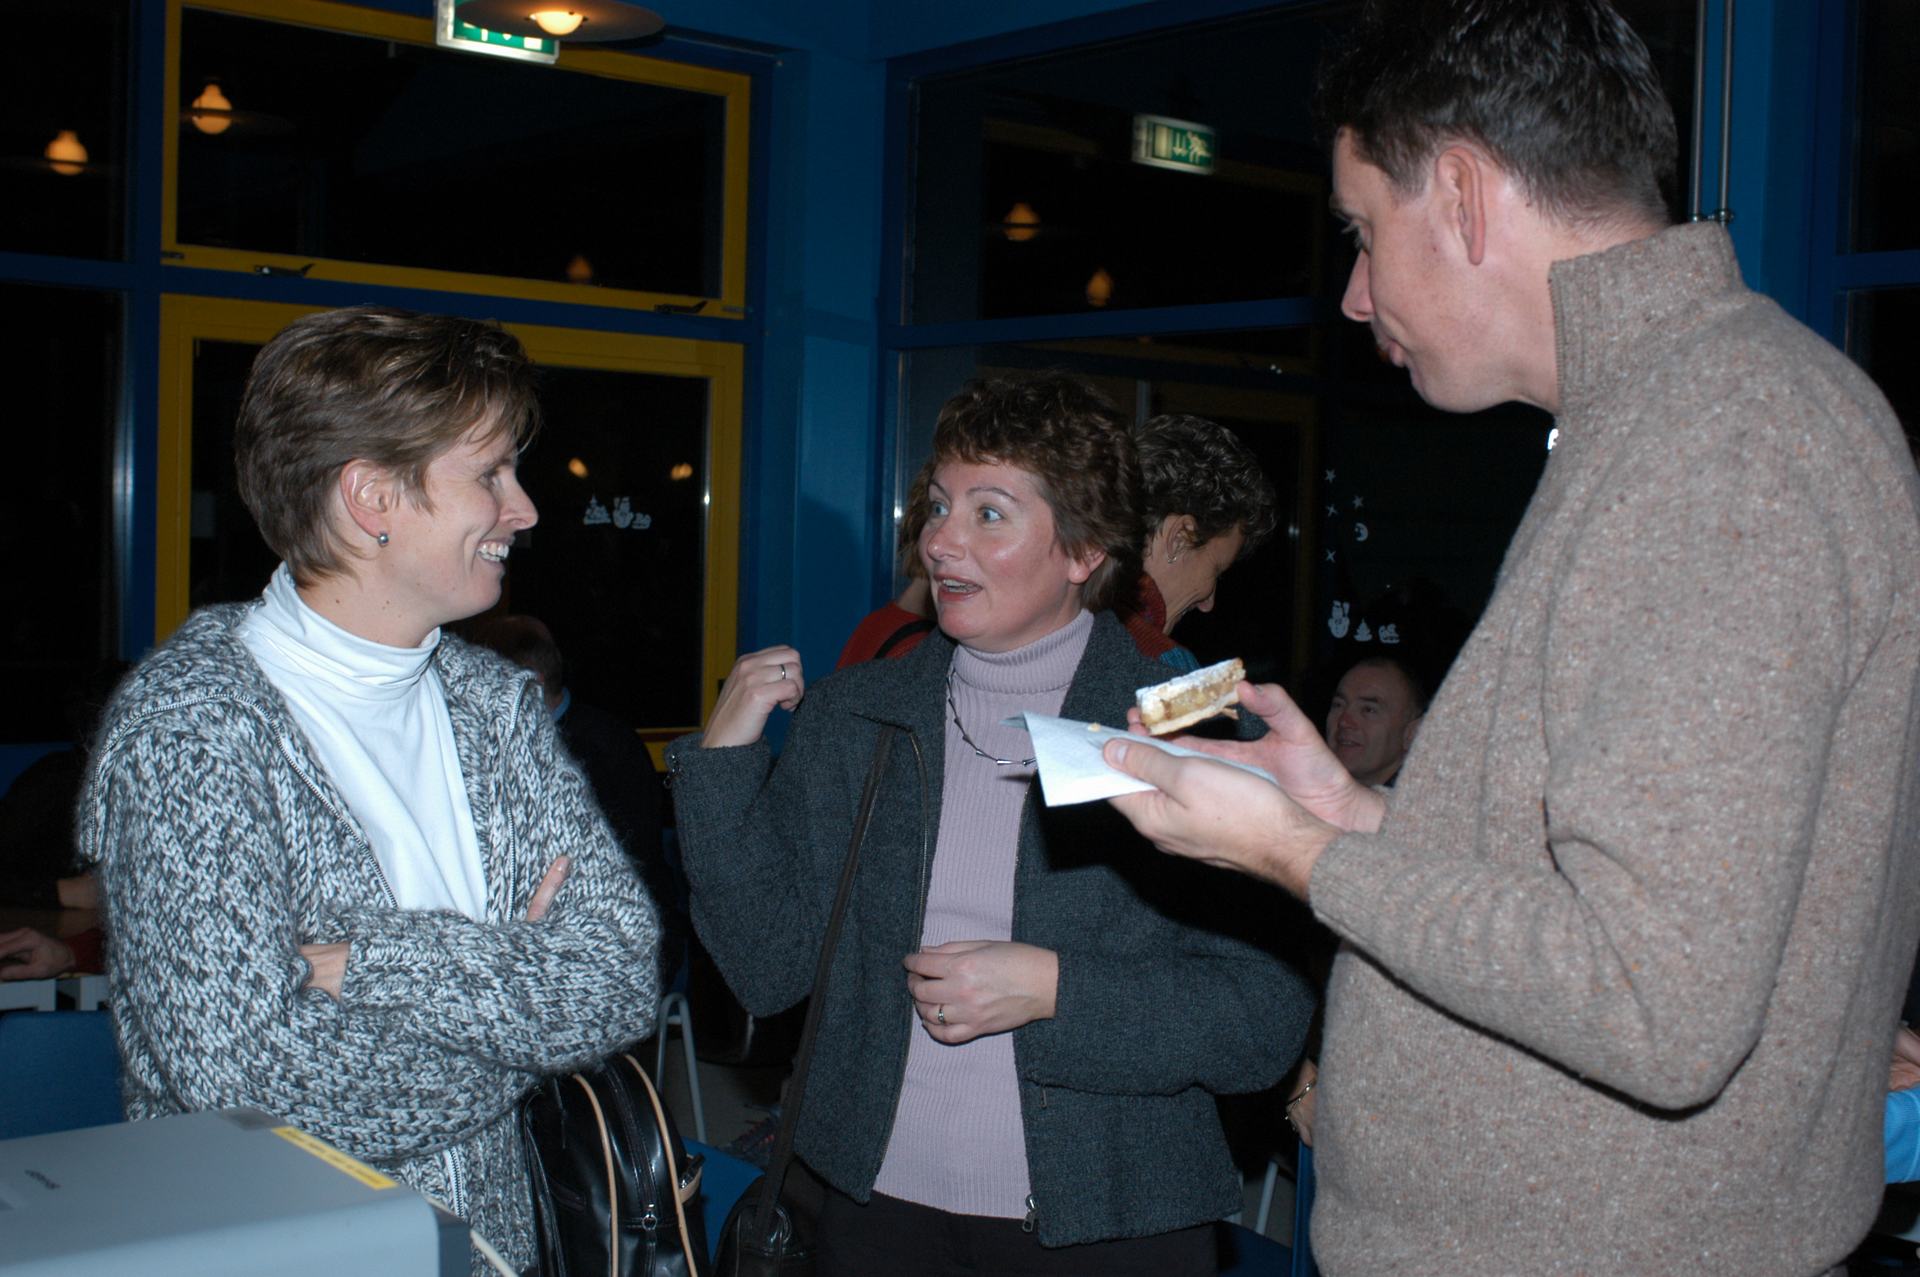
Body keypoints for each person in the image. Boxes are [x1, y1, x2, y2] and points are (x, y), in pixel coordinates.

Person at [1101, 3, 1920, 1273]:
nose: (1355, 293)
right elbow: (1606, 891)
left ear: (1465, 196)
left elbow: (1653, 1000)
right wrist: (1362, 816)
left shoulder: (1722, 442)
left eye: (1363, 232)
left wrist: (1302, 855)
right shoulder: (1674, 414)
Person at [669, 373, 1311, 1276]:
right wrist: (724, 764)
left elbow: (1263, 1019)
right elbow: (765, 966)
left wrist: (1056, 989)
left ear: (1084, 549)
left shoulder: (1185, 732)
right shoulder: (860, 715)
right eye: (939, 506)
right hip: (872, 1212)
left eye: (989, 513)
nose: (940, 540)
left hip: (1109, 1223)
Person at [79, 306, 660, 1275]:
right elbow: (247, 1084)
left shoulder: (493, 707)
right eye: (489, 474)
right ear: (371, 496)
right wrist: (518, 1008)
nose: (523, 509)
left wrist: (379, 961)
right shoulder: (193, 728)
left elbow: (620, 974)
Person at [470, 613, 686, 990]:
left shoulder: (603, 749)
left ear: (530, 684)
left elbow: (620, 872)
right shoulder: (495, 742)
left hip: (620, 940)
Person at [1122, 413, 1278, 672]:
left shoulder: (1062, 610)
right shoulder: (1166, 668)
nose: (1208, 603)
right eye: (1216, 570)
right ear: (1179, 537)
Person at [1322, 656, 1424, 789]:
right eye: (1338, 705)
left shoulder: (1427, 799)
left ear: (1412, 733)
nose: (1344, 722)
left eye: (1368, 710)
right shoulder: (1306, 790)